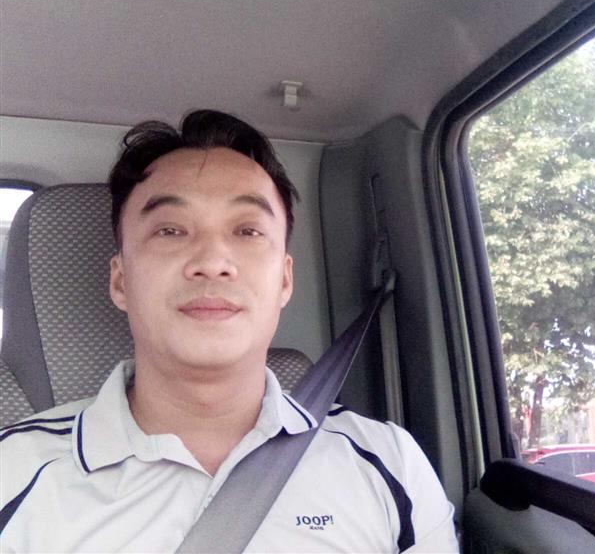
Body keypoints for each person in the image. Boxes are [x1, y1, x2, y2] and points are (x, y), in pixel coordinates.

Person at [0, 110, 458, 552]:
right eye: (170, 230)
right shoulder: (13, 472)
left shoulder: (389, 464)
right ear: (121, 281)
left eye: (247, 231)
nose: (213, 262)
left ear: (284, 280)